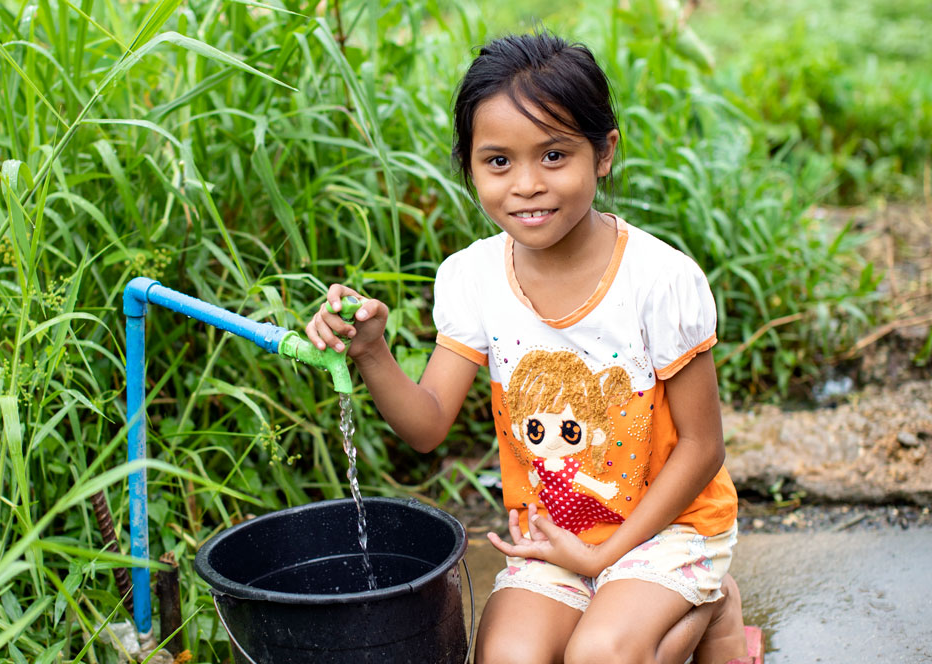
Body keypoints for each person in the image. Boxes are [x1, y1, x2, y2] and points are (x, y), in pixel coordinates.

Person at [306, 31, 757, 664]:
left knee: (599, 656)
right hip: (554, 532)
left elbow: (704, 447)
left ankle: (712, 606)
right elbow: (428, 425)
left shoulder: (659, 280)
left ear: (603, 154)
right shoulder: (474, 278)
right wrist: (373, 351)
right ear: (469, 165)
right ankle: (635, 607)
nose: (526, 185)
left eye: (553, 156)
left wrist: (604, 556)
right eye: (498, 162)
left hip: (670, 530)